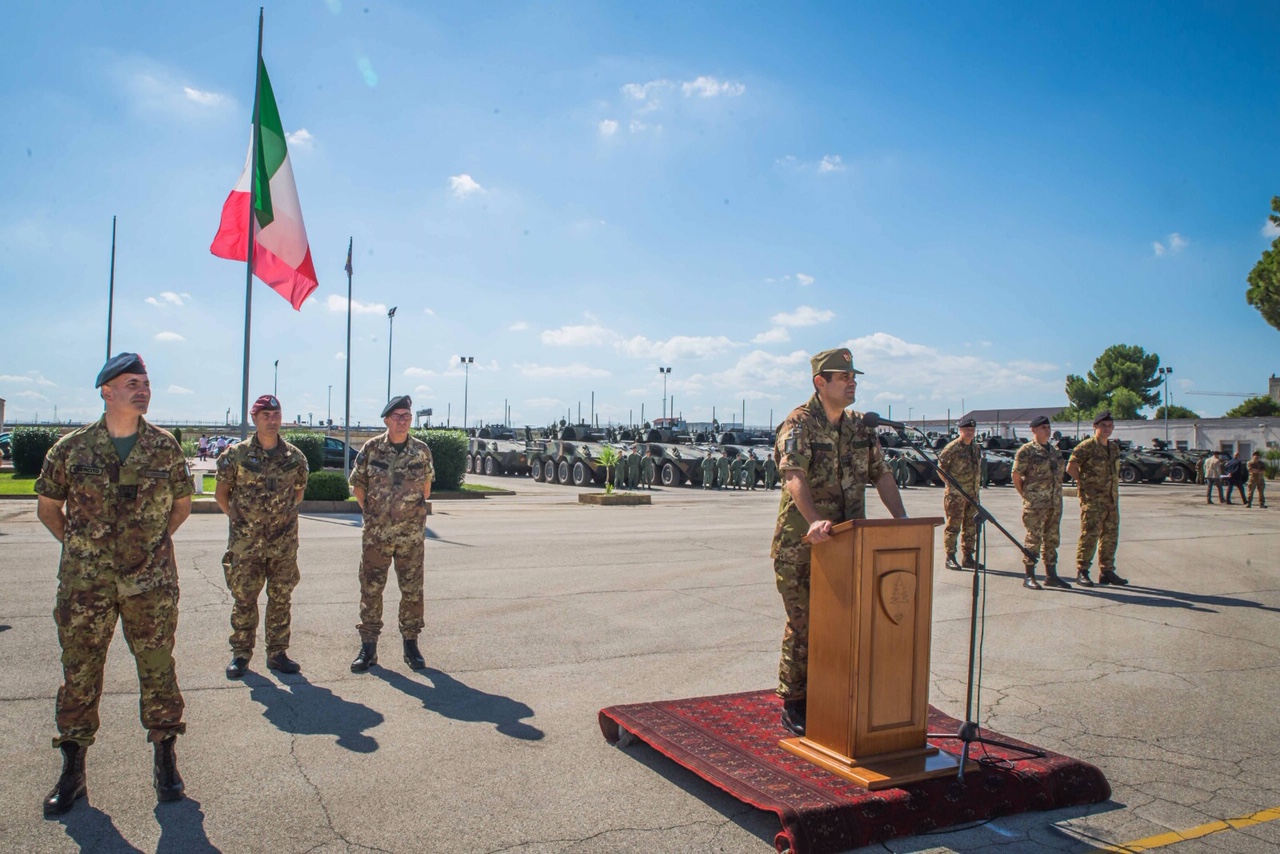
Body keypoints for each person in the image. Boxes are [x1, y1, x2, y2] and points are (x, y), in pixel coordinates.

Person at [34, 353, 192, 816]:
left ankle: (166, 760)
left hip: (150, 585)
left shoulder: (164, 447)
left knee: (158, 670)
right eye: (131, 383)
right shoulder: (72, 448)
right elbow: (48, 508)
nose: (142, 390)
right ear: (106, 391)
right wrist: (83, 550)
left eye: (145, 383)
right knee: (80, 674)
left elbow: (180, 507)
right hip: (86, 587)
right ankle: (73, 769)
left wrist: (147, 549)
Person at [772, 348, 906, 737]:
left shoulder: (861, 427)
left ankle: (835, 692)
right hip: (803, 545)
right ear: (821, 382)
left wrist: (902, 522)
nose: (852, 384)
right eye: (844, 377)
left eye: (853, 378)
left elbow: (882, 474)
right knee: (806, 624)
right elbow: (793, 474)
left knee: (845, 623)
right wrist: (814, 520)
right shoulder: (799, 423)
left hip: (849, 544)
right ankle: (795, 701)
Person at [215, 394, 309, 679]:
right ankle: (241, 654)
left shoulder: (295, 457)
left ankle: (277, 653)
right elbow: (221, 494)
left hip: (283, 543)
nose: (272, 420)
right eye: (265, 415)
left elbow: (298, 494)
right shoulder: (236, 455)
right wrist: (239, 520)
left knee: (281, 598)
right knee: (244, 598)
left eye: (276, 415)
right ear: (254, 418)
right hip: (247, 544)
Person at [348, 396, 435, 672]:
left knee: (412, 590)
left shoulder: (421, 450)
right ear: (386, 420)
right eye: (397, 416)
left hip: (411, 536)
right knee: (371, 589)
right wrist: (374, 514)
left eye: (406, 416)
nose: (402, 421)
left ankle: (411, 645)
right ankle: (368, 647)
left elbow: (426, 489)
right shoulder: (372, 448)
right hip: (377, 536)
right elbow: (358, 486)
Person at [1066, 410, 1128, 586]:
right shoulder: (1086, 447)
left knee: (1110, 536)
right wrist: (1085, 483)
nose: (1107, 429)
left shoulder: (1113, 448)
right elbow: (1070, 468)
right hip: (1093, 501)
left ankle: (1107, 571)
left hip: (1111, 500)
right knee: (1090, 535)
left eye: (1110, 426)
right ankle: (1082, 570)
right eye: (1103, 425)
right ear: (1095, 426)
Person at [1012, 416, 1069, 590]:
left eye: (1048, 427)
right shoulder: (1027, 451)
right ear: (1034, 430)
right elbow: (1016, 475)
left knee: (1052, 539)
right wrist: (1027, 496)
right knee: (1033, 538)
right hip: (1036, 504)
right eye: (1043, 427)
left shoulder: (1054, 451)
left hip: (1054, 503)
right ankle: (1029, 575)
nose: (1047, 430)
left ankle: (1051, 575)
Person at [938, 416, 983, 570]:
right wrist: (950, 486)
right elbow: (941, 469)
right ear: (960, 430)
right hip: (956, 496)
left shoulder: (976, 448)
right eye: (967, 429)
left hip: (973, 495)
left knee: (971, 527)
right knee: (953, 526)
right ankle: (950, 557)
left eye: (972, 430)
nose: (970, 432)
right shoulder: (952, 448)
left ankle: (968, 557)